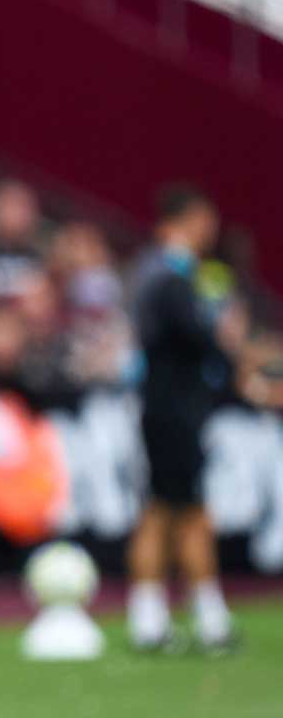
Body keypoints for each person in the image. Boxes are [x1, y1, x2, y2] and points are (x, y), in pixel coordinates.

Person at [125, 186, 236, 652]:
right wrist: (225, 340)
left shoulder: (166, 275)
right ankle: (188, 615)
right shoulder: (168, 277)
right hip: (172, 408)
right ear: (184, 220)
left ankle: (168, 615)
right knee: (176, 511)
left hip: (170, 407)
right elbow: (196, 340)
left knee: (173, 508)